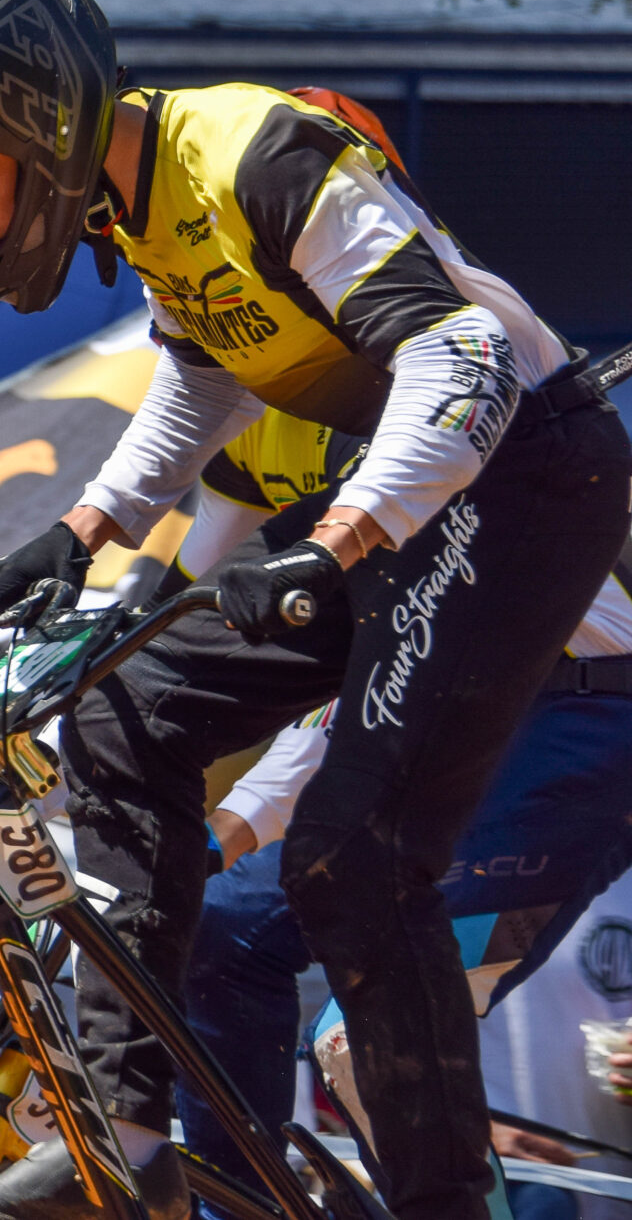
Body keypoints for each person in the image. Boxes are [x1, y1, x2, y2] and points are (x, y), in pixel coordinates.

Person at [0, 0, 632, 1220]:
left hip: (524, 484)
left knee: (348, 862)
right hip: (422, 499)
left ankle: (440, 1202)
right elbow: (208, 371)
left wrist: (332, 548)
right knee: (127, 717)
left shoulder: (255, 153)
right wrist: (86, 524)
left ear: (40, 120)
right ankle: (125, 1140)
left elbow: (461, 357)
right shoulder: (145, 206)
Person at [163, 411, 632, 1220]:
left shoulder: (417, 414)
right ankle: (237, 1207)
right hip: (458, 706)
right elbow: (351, 702)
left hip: (587, 715)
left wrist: (220, 831)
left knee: (362, 1036)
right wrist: (202, 845)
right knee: (216, 927)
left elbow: (380, 688)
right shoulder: (248, 437)